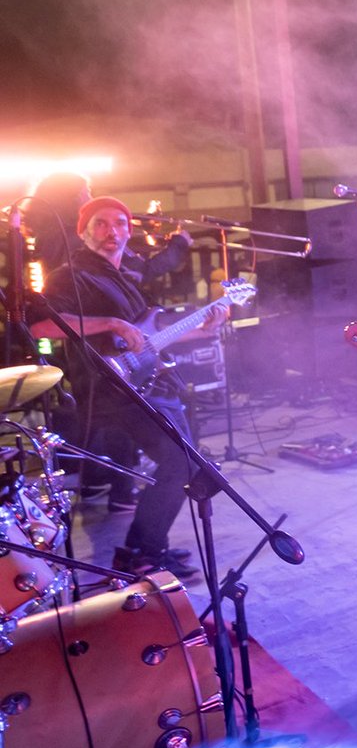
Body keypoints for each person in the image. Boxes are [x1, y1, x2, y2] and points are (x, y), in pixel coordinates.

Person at [29, 196, 224, 577]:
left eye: (119, 223)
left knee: (183, 462)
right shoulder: (71, 275)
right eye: (100, 224)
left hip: (143, 384)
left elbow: (148, 339)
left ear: (128, 231)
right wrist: (111, 323)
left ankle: (148, 547)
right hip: (110, 388)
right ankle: (140, 553)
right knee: (180, 462)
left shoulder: (124, 278)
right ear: (83, 233)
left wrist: (205, 328)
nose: (111, 231)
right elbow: (41, 327)